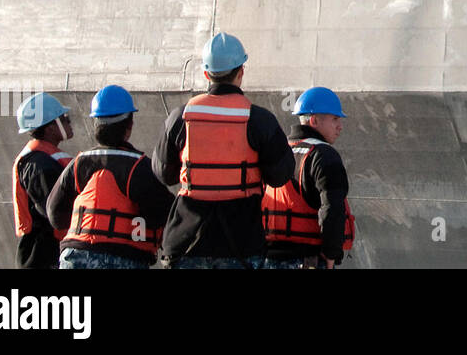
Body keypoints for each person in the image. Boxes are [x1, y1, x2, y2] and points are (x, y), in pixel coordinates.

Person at [152, 32, 292, 268]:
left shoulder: (180, 117)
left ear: (206, 74)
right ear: (241, 72)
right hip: (241, 246)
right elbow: (280, 175)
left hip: (186, 243)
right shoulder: (260, 120)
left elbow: (164, 174)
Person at [48, 85, 175, 269]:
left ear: (95, 124)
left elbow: (55, 215)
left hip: (74, 256)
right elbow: (164, 215)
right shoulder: (140, 167)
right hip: (123, 258)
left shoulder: (78, 163)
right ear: (129, 125)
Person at [262, 87, 355, 269]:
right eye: (335, 119)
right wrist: (331, 253)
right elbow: (332, 208)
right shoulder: (324, 155)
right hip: (309, 259)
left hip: (270, 259)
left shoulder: (279, 151)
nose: (340, 126)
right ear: (314, 120)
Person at [12, 93, 74, 269]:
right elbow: (54, 212)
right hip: (42, 256)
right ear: (50, 128)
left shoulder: (43, 160)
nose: (69, 122)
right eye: (64, 118)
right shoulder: (39, 165)